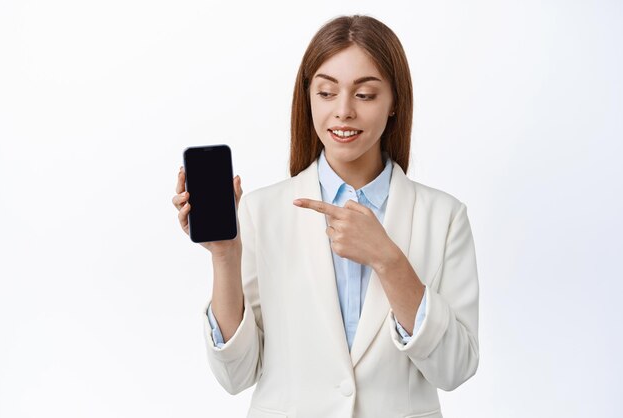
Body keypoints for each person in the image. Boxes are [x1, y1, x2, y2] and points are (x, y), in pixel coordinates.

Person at [172, 14, 479, 418]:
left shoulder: (445, 217)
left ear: (394, 104)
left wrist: (388, 260)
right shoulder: (261, 212)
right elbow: (237, 376)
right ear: (309, 98)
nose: (343, 111)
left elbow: (455, 369)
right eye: (326, 93)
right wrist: (224, 257)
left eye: (365, 95)